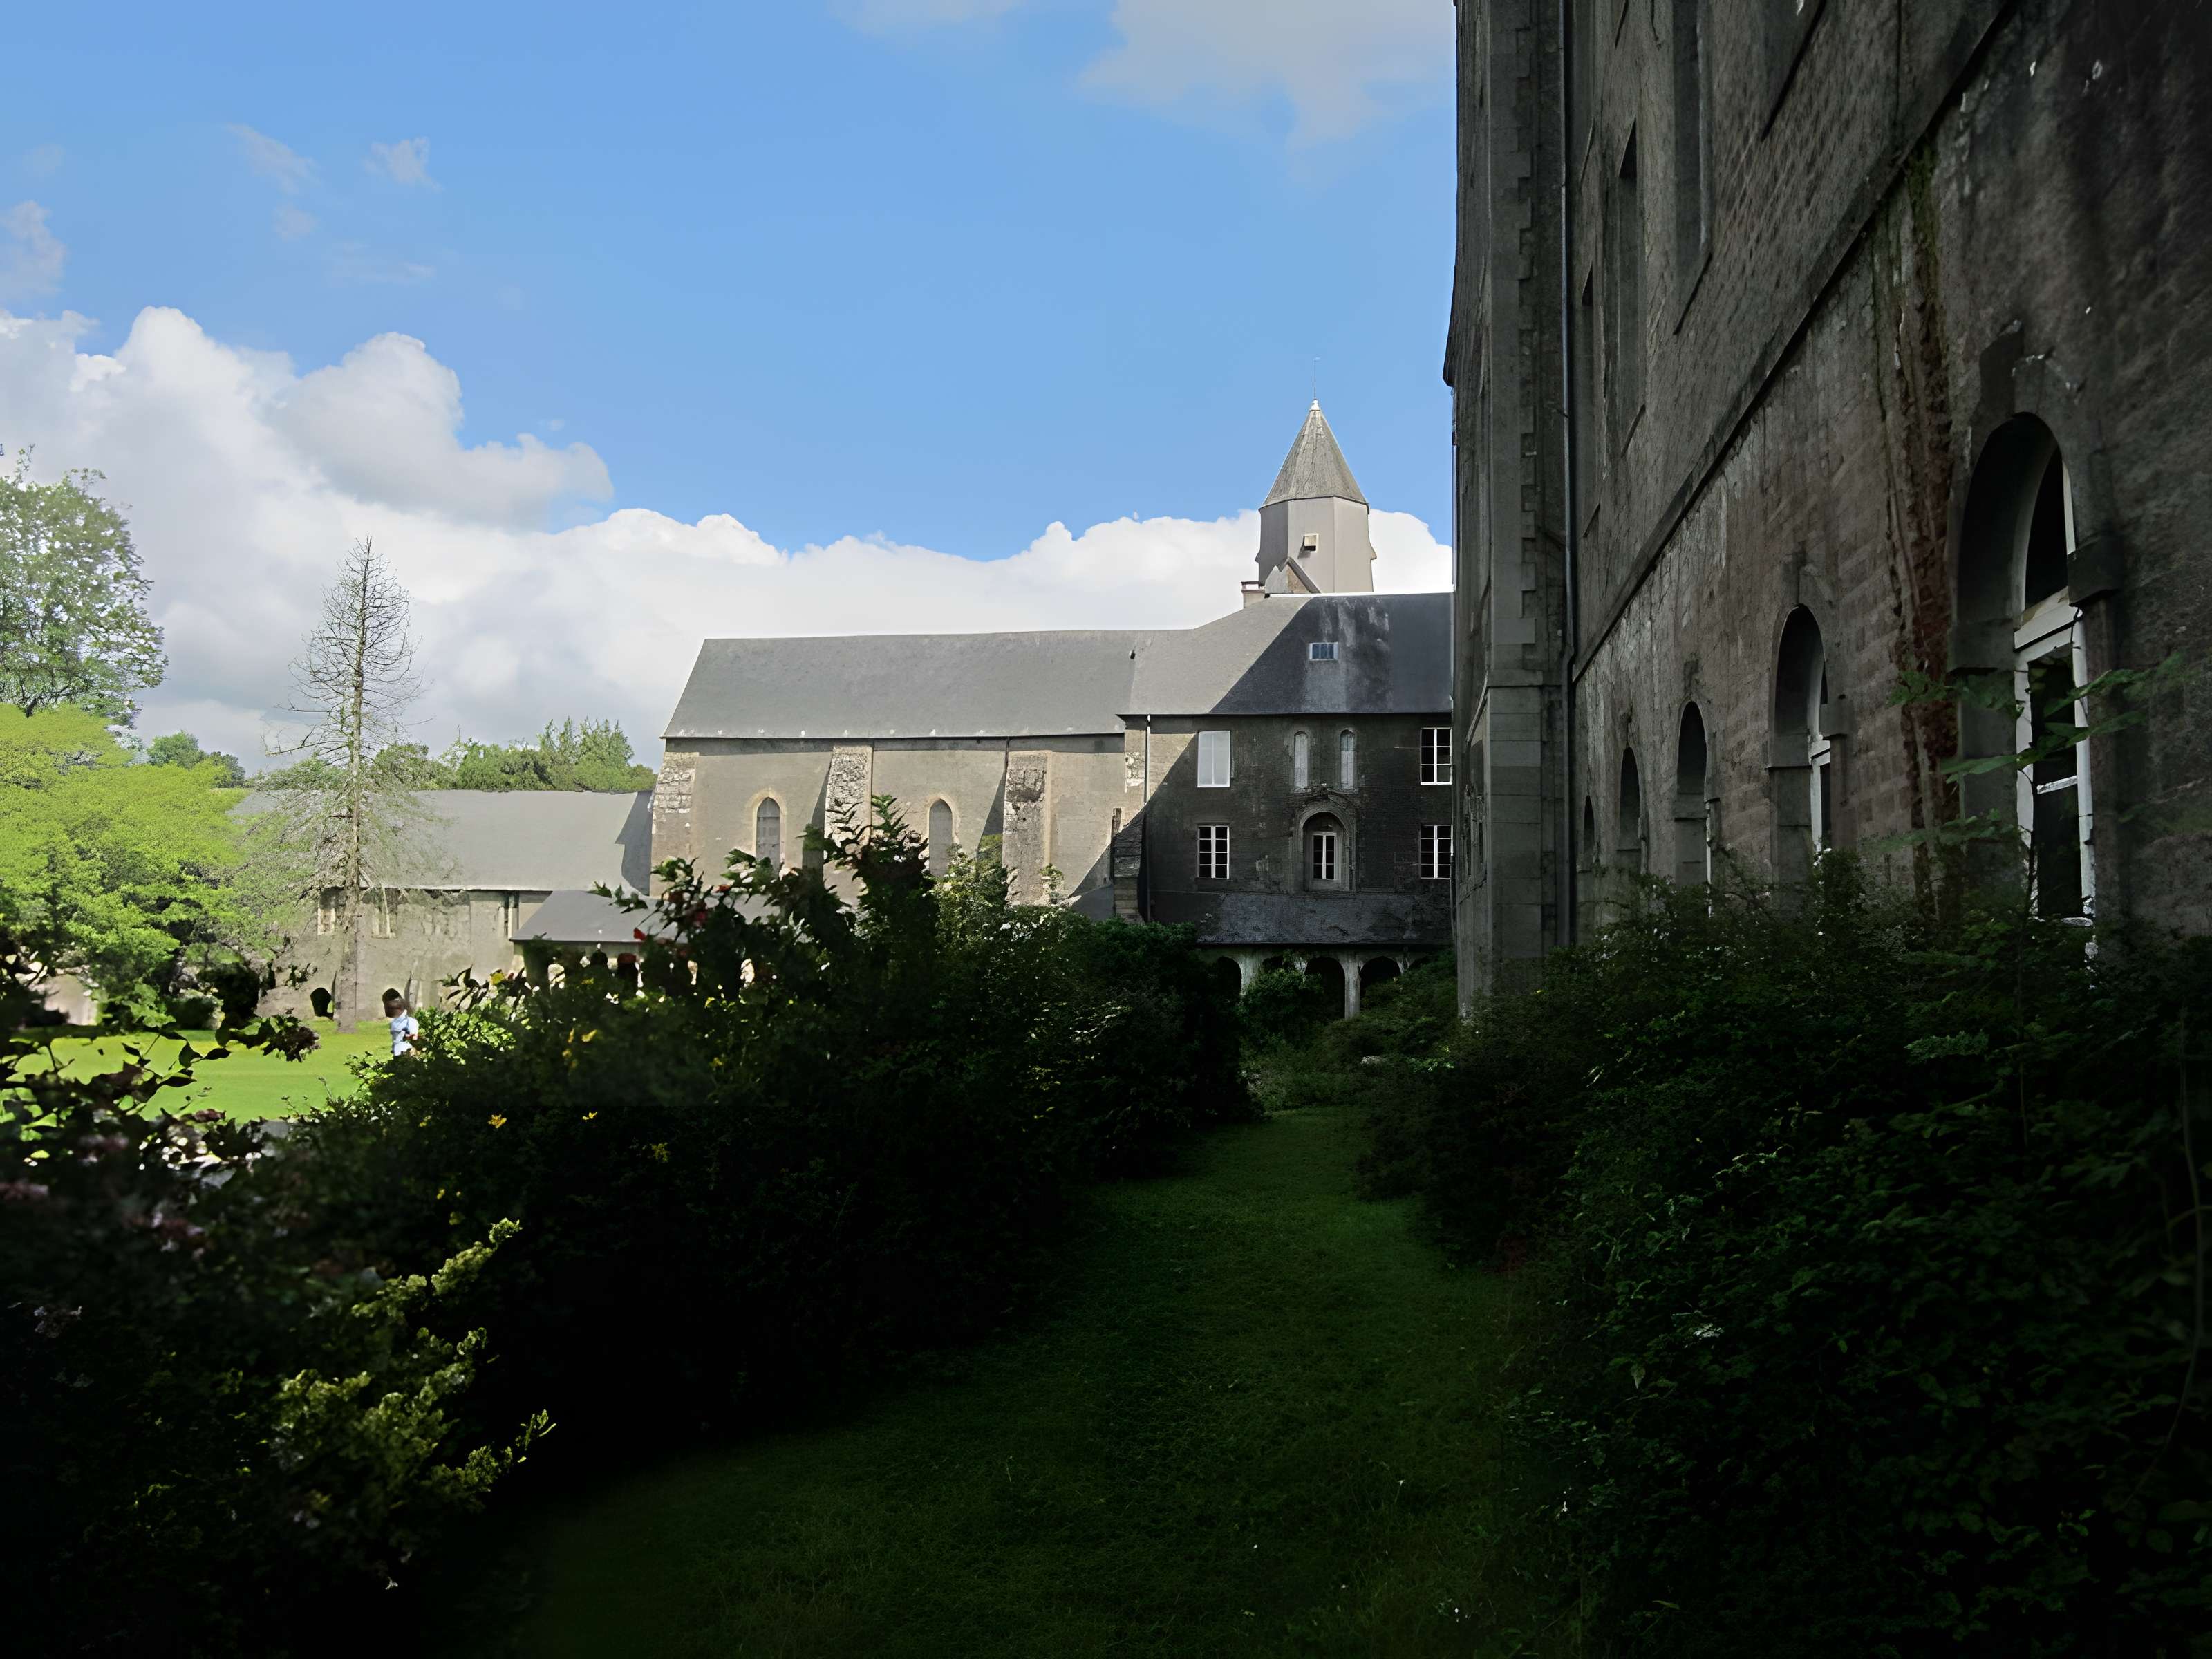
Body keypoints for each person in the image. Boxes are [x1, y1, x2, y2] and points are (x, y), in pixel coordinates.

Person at [383, 988, 420, 1059]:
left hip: (407, 1054)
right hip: (399, 1053)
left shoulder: (411, 1021)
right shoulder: (395, 1022)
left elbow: (414, 1040)